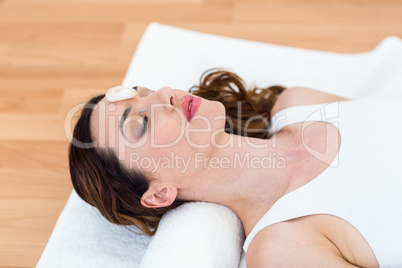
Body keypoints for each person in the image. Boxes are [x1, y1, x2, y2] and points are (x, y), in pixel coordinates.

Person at [69, 69, 402, 267]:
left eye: (145, 93)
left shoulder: (300, 104)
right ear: (159, 194)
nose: (166, 94)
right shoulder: (281, 247)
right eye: (141, 122)